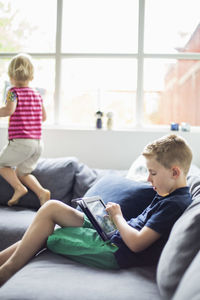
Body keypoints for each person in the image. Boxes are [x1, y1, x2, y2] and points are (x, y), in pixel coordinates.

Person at [0, 134, 193, 286]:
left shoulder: (174, 204)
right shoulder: (169, 194)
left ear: (174, 172)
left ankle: (7, 271)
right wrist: (114, 220)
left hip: (113, 251)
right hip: (114, 235)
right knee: (52, 207)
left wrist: (117, 217)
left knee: (46, 234)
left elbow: (136, 244)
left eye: (153, 173)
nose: (149, 179)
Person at [0, 53, 50, 207]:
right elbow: (43, 117)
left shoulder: (12, 92)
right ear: (32, 76)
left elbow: (9, 110)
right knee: (23, 173)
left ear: (10, 75)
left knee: (2, 165)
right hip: (37, 143)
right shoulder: (37, 94)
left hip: (21, 142)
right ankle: (42, 192)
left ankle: (19, 188)